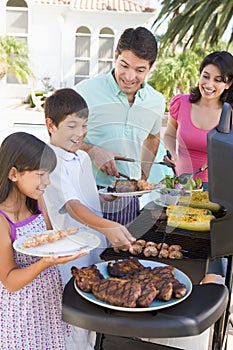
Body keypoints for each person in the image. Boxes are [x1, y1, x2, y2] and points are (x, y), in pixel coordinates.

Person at [0, 132, 87, 350]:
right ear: (13, 174)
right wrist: (46, 263)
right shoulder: (2, 220)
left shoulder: (37, 202)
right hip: (22, 314)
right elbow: (10, 281)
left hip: (48, 303)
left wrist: (68, 244)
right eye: (41, 174)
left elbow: (48, 243)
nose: (47, 182)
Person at [74, 26, 166, 225]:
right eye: (124, 65)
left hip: (128, 200)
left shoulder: (157, 101)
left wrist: (142, 177)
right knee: (86, 255)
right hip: (85, 194)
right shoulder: (84, 92)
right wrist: (92, 150)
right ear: (115, 56)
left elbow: (152, 137)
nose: (130, 76)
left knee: (124, 255)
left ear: (151, 68)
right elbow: (58, 139)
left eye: (140, 70)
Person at [163, 51, 233, 191]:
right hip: (180, 184)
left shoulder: (230, 114)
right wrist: (173, 153)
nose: (209, 84)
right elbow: (169, 135)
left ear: (228, 84)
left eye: (218, 80)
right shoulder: (181, 102)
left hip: (215, 189)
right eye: (205, 76)